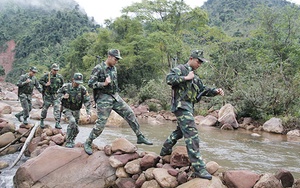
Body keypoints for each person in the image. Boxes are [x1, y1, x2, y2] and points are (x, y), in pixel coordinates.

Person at [160, 50, 224, 180]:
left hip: (188, 107)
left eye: (201, 62)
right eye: (198, 61)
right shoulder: (181, 69)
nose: (200, 64)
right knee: (192, 134)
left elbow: (204, 89)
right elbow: (169, 79)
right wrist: (185, 78)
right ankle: (199, 168)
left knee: (181, 131)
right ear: (191, 58)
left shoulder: (195, 76)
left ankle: (165, 149)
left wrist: (216, 91)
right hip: (181, 106)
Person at [83, 49, 153, 155]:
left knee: (130, 113)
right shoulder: (98, 68)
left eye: (118, 59)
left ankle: (140, 136)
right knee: (101, 124)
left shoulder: (114, 68)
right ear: (109, 57)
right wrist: (103, 84)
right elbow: (90, 84)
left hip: (115, 97)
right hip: (103, 98)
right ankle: (88, 142)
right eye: (116, 59)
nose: (117, 61)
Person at [56, 73, 91, 148]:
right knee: (72, 121)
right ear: (73, 80)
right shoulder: (65, 87)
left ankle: (72, 139)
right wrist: (63, 96)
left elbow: (87, 101)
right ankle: (68, 141)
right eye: (76, 82)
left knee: (76, 128)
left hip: (76, 110)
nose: (78, 84)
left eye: (79, 83)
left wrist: (88, 113)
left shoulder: (82, 89)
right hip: (67, 108)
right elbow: (57, 95)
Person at [39, 63, 64, 129]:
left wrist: (61, 94)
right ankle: (42, 120)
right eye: (54, 70)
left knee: (57, 108)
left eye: (57, 70)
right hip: (48, 95)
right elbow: (40, 81)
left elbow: (62, 85)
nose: (55, 71)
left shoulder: (60, 77)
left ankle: (57, 122)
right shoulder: (47, 76)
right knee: (45, 108)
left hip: (56, 95)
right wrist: (45, 84)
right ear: (51, 69)